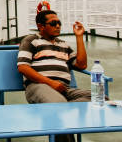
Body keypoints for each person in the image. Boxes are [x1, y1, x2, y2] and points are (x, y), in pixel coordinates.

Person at [17, 10, 90, 142]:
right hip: (39, 86)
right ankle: (62, 110)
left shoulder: (63, 45)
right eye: (53, 23)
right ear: (41, 26)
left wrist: (79, 37)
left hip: (63, 89)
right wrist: (51, 83)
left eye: (59, 23)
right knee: (59, 107)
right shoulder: (31, 40)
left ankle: (62, 109)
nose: (58, 26)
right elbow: (23, 67)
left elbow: (81, 64)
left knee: (98, 98)